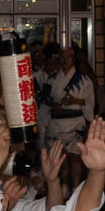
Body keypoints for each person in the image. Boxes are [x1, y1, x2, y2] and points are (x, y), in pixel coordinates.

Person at [44, 47, 94, 197]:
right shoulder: (51, 78)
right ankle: (64, 185)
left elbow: (90, 101)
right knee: (60, 158)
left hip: (75, 121)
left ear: (73, 59)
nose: (65, 60)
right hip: (57, 121)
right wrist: (53, 104)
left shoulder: (84, 80)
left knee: (75, 157)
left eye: (68, 57)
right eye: (62, 57)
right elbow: (44, 98)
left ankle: (76, 188)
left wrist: (75, 100)